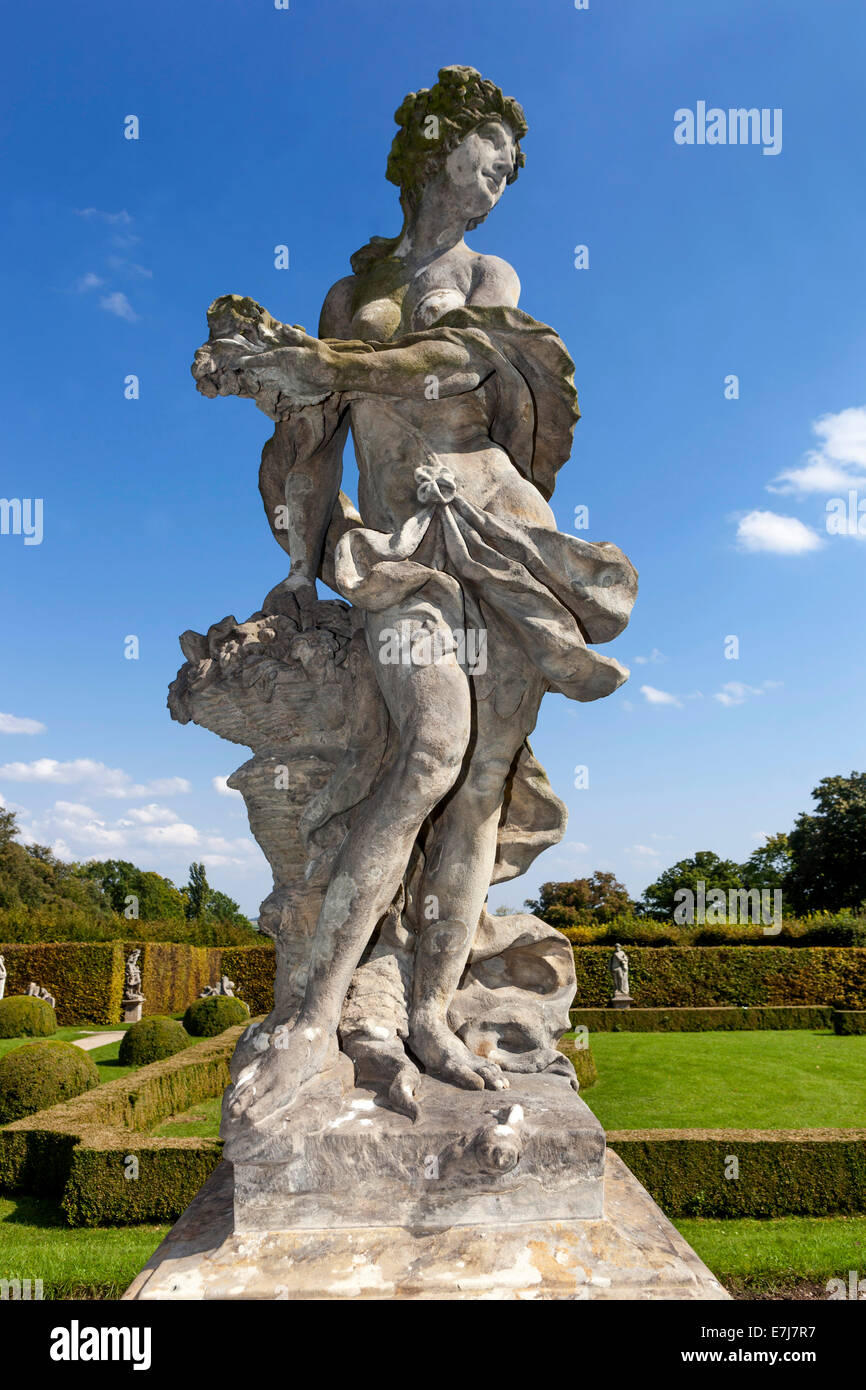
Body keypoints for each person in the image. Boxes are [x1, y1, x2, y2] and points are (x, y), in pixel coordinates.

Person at [193, 66, 636, 1124]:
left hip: (495, 529)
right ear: (436, 148)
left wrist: (318, 359)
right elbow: (310, 441)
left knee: (479, 779)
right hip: (397, 546)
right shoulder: (348, 297)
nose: (501, 174)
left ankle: (431, 1012)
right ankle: (315, 1016)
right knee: (432, 746)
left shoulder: (487, 276)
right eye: (490, 151)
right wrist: (299, 565)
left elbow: (445, 367)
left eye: (512, 166)